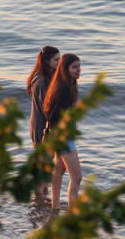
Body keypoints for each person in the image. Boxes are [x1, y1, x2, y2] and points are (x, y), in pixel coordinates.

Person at [43, 53, 83, 211]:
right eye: (74, 67)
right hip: (63, 138)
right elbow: (53, 117)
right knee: (77, 178)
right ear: (65, 70)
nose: (78, 70)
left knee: (59, 171)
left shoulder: (65, 85)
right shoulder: (65, 89)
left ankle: (55, 208)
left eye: (79, 66)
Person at [27, 45, 60, 197]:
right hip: (42, 127)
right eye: (56, 60)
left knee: (45, 164)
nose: (59, 62)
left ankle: (42, 198)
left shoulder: (45, 77)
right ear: (47, 61)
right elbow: (47, 107)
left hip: (41, 125)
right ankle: (39, 200)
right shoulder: (40, 80)